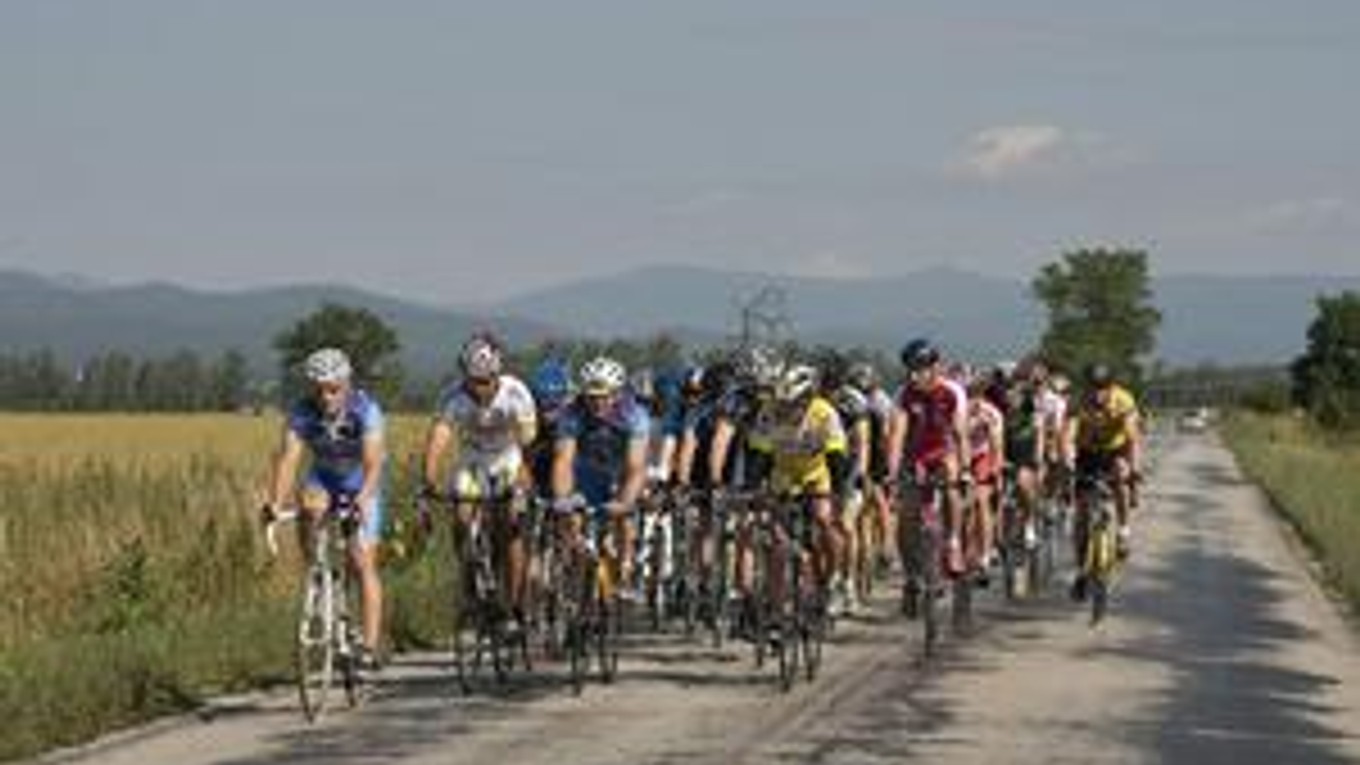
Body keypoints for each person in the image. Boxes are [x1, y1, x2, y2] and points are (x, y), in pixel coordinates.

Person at [265, 347, 387, 670]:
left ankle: (370, 645)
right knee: (309, 506)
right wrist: (275, 503)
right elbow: (289, 459)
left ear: (346, 385)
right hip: (323, 479)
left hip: (360, 483)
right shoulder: (302, 412)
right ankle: (317, 570)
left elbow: (374, 462)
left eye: (333, 389)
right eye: (319, 389)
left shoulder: (365, 409)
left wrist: (363, 497)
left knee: (361, 562)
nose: (326, 396)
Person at [422, 333, 538, 622]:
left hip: (508, 458)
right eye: (473, 381)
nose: (480, 388)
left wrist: (523, 480)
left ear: (497, 374)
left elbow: (528, 442)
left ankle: (514, 605)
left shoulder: (516, 393)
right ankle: (469, 579)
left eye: (486, 381)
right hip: (473, 459)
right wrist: (429, 478)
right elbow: (439, 438)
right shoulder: (453, 396)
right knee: (462, 516)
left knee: (510, 527)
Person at [550, 355, 651, 599]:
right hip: (586, 471)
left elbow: (636, 466)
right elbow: (563, 460)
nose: (597, 403)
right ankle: (572, 577)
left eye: (604, 396)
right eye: (592, 397)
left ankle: (625, 570)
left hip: (620, 471)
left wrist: (625, 502)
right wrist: (562, 498)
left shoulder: (634, 414)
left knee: (624, 517)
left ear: (617, 393)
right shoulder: (572, 413)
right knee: (570, 519)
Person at [886, 339, 971, 601]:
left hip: (943, 452)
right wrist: (892, 474)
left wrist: (966, 470)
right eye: (910, 369)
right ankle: (911, 575)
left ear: (936, 367)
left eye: (920, 368)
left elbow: (960, 434)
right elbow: (897, 436)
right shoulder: (904, 394)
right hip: (914, 457)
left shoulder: (952, 391)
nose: (914, 374)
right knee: (907, 519)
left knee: (952, 483)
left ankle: (954, 542)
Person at [1066, 362, 1143, 600]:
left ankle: (1123, 530)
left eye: (1103, 388)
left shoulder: (1124, 400)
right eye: (1093, 388)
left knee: (1120, 475)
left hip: (1115, 450)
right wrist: (1068, 460)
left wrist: (1134, 470)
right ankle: (1081, 572)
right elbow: (1067, 436)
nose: (1098, 393)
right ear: (1087, 388)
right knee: (1081, 516)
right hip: (1087, 453)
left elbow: (1132, 438)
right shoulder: (1078, 402)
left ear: (1112, 387)